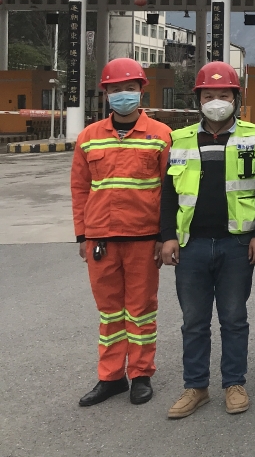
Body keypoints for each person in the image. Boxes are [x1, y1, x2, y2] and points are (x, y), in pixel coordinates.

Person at [160, 61, 255, 419]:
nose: (216, 101)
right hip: (190, 245)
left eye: (224, 95)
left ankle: (234, 384)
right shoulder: (179, 140)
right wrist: (167, 238)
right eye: (209, 95)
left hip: (236, 244)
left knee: (234, 318)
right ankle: (196, 387)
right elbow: (168, 196)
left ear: (236, 98)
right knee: (193, 321)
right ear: (198, 100)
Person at [71, 58, 172, 407]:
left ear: (141, 91)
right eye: (115, 89)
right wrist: (83, 236)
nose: (122, 94)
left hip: (144, 238)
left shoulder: (161, 135)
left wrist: (164, 236)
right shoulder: (88, 138)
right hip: (101, 238)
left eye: (129, 88)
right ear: (106, 94)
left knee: (141, 309)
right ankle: (111, 377)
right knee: (110, 312)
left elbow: (169, 190)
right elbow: (80, 189)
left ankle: (141, 374)